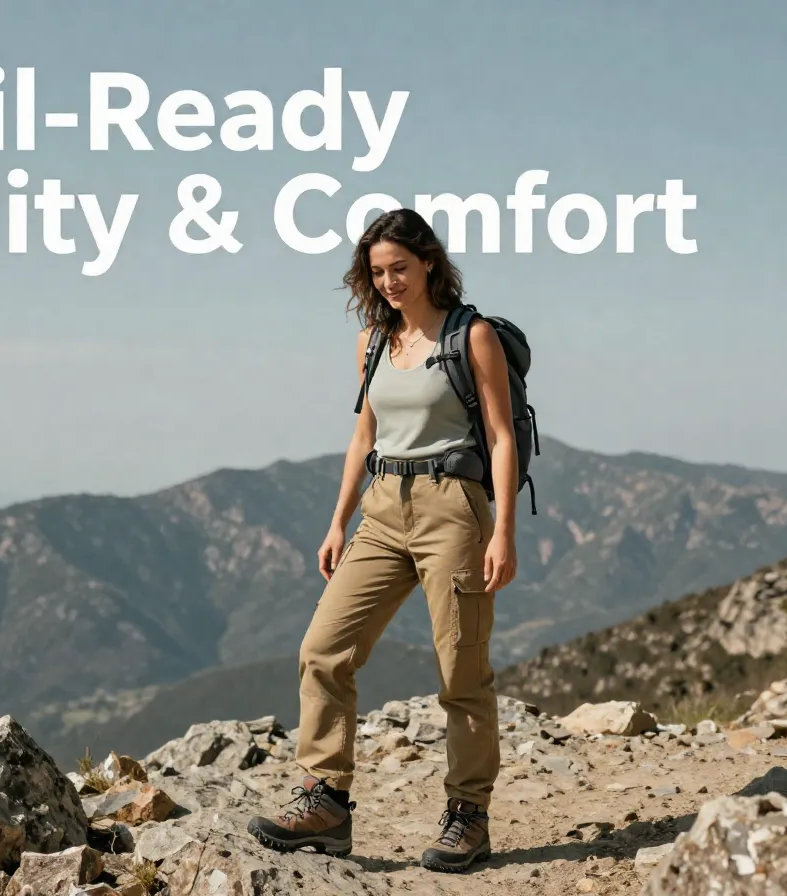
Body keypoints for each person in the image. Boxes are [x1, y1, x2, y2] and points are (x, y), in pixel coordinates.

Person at [246, 208, 519, 874]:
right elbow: (363, 437)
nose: (390, 281)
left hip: (453, 509)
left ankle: (468, 816)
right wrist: (337, 520)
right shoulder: (373, 341)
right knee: (323, 649)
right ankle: (325, 802)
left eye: (400, 267)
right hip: (382, 507)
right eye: (377, 271)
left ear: (428, 262)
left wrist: (504, 531)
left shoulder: (471, 335)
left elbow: (502, 436)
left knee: (461, 672)